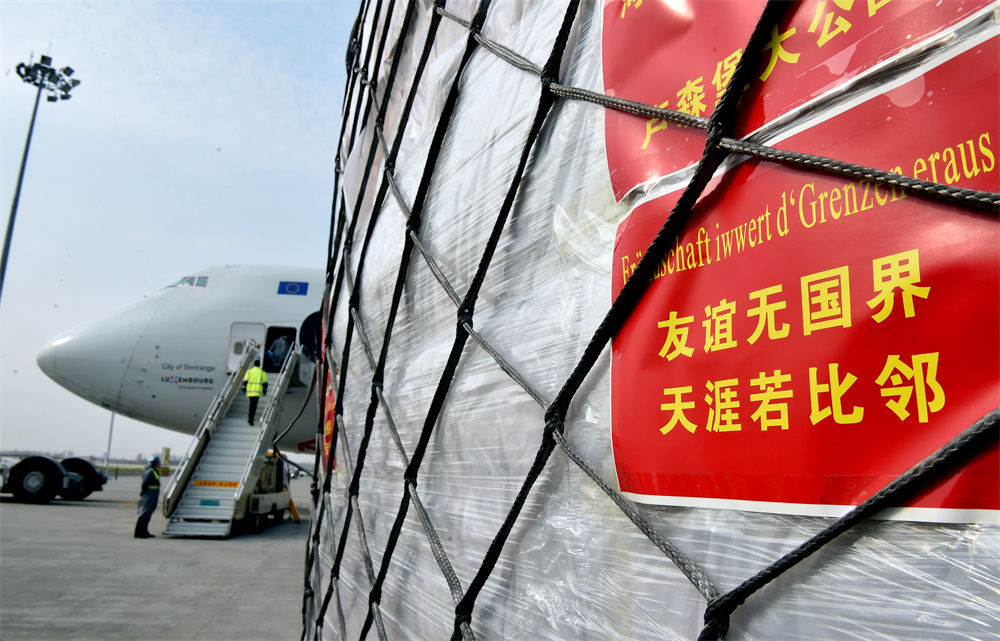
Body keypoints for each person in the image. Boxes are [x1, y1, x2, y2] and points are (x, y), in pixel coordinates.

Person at [134, 456, 160, 539]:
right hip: (149, 494)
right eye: (158, 462)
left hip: (153, 494)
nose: (159, 464)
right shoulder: (150, 471)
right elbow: (145, 484)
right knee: (145, 512)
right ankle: (139, 532)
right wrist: (143, 493)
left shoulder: (154, 471)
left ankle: (144, 531)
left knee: (149, 511)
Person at [243, 358, 268, 426]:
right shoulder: (262, 373)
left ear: (254, 365)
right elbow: (265, 383)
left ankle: (250, 418)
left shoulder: (249, 371)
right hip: (257, 392)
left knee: (251, 405)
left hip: (250, 392)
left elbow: (245, 381)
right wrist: (264, 391)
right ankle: (251, 420)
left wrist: (244, 389)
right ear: (259, 365)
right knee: (254, 406)